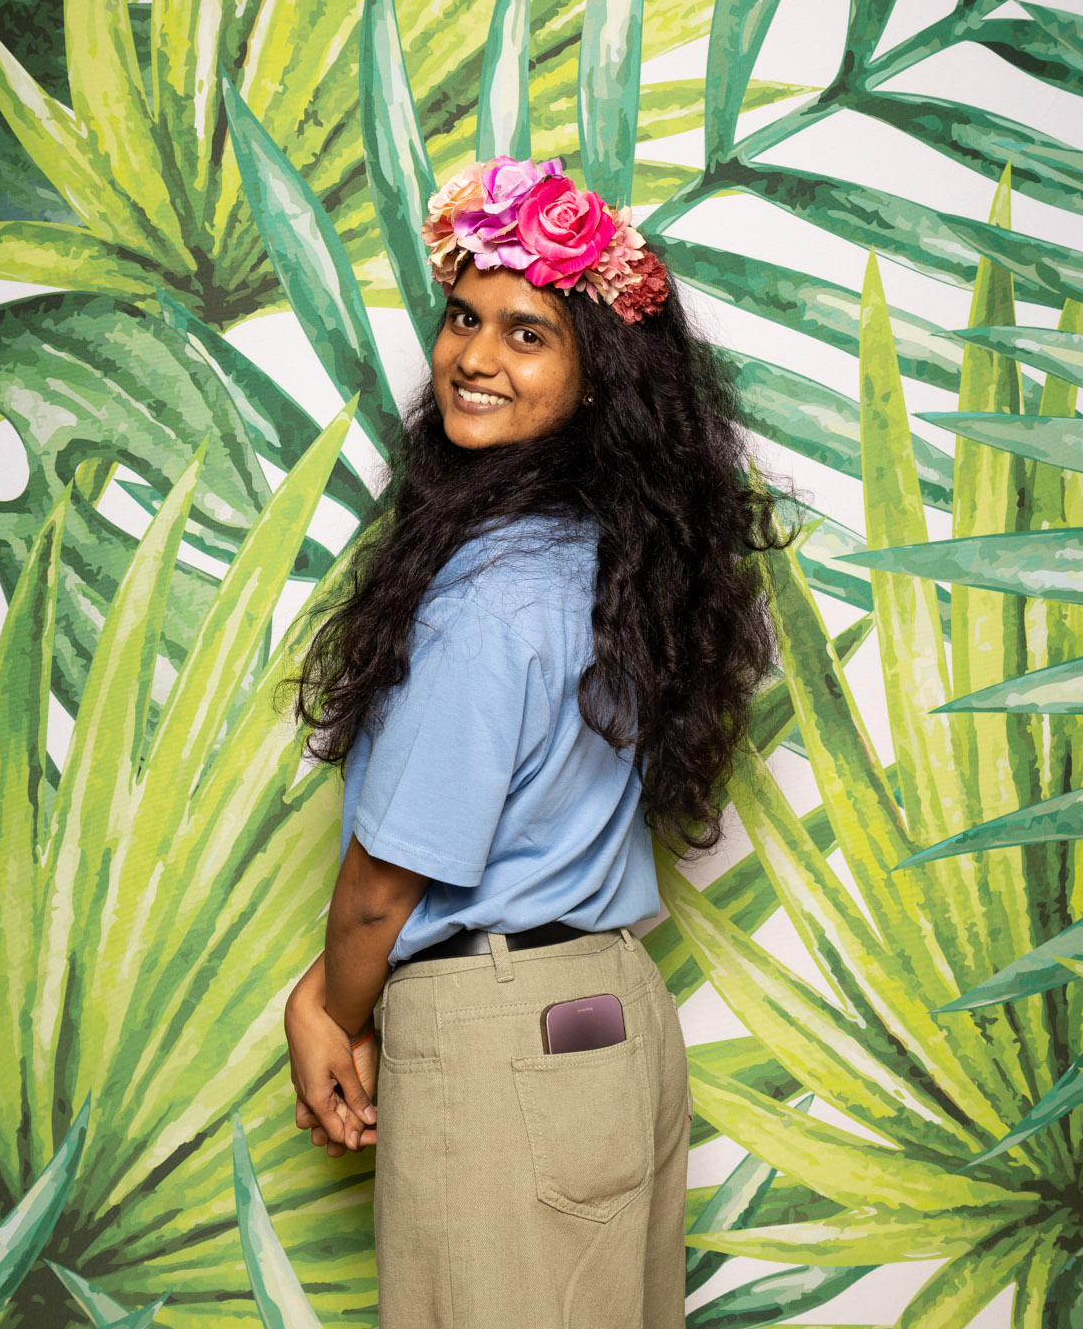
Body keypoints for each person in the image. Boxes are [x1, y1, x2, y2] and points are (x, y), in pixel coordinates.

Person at [280, 153, 788, 1328]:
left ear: (597, 376)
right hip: (613, 1017)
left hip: (500, 1038)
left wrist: (328, 1012)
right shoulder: (611, 559)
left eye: (528, 335)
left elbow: (384, 887)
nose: (475, 357)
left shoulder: (491, 592)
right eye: (465, 318)